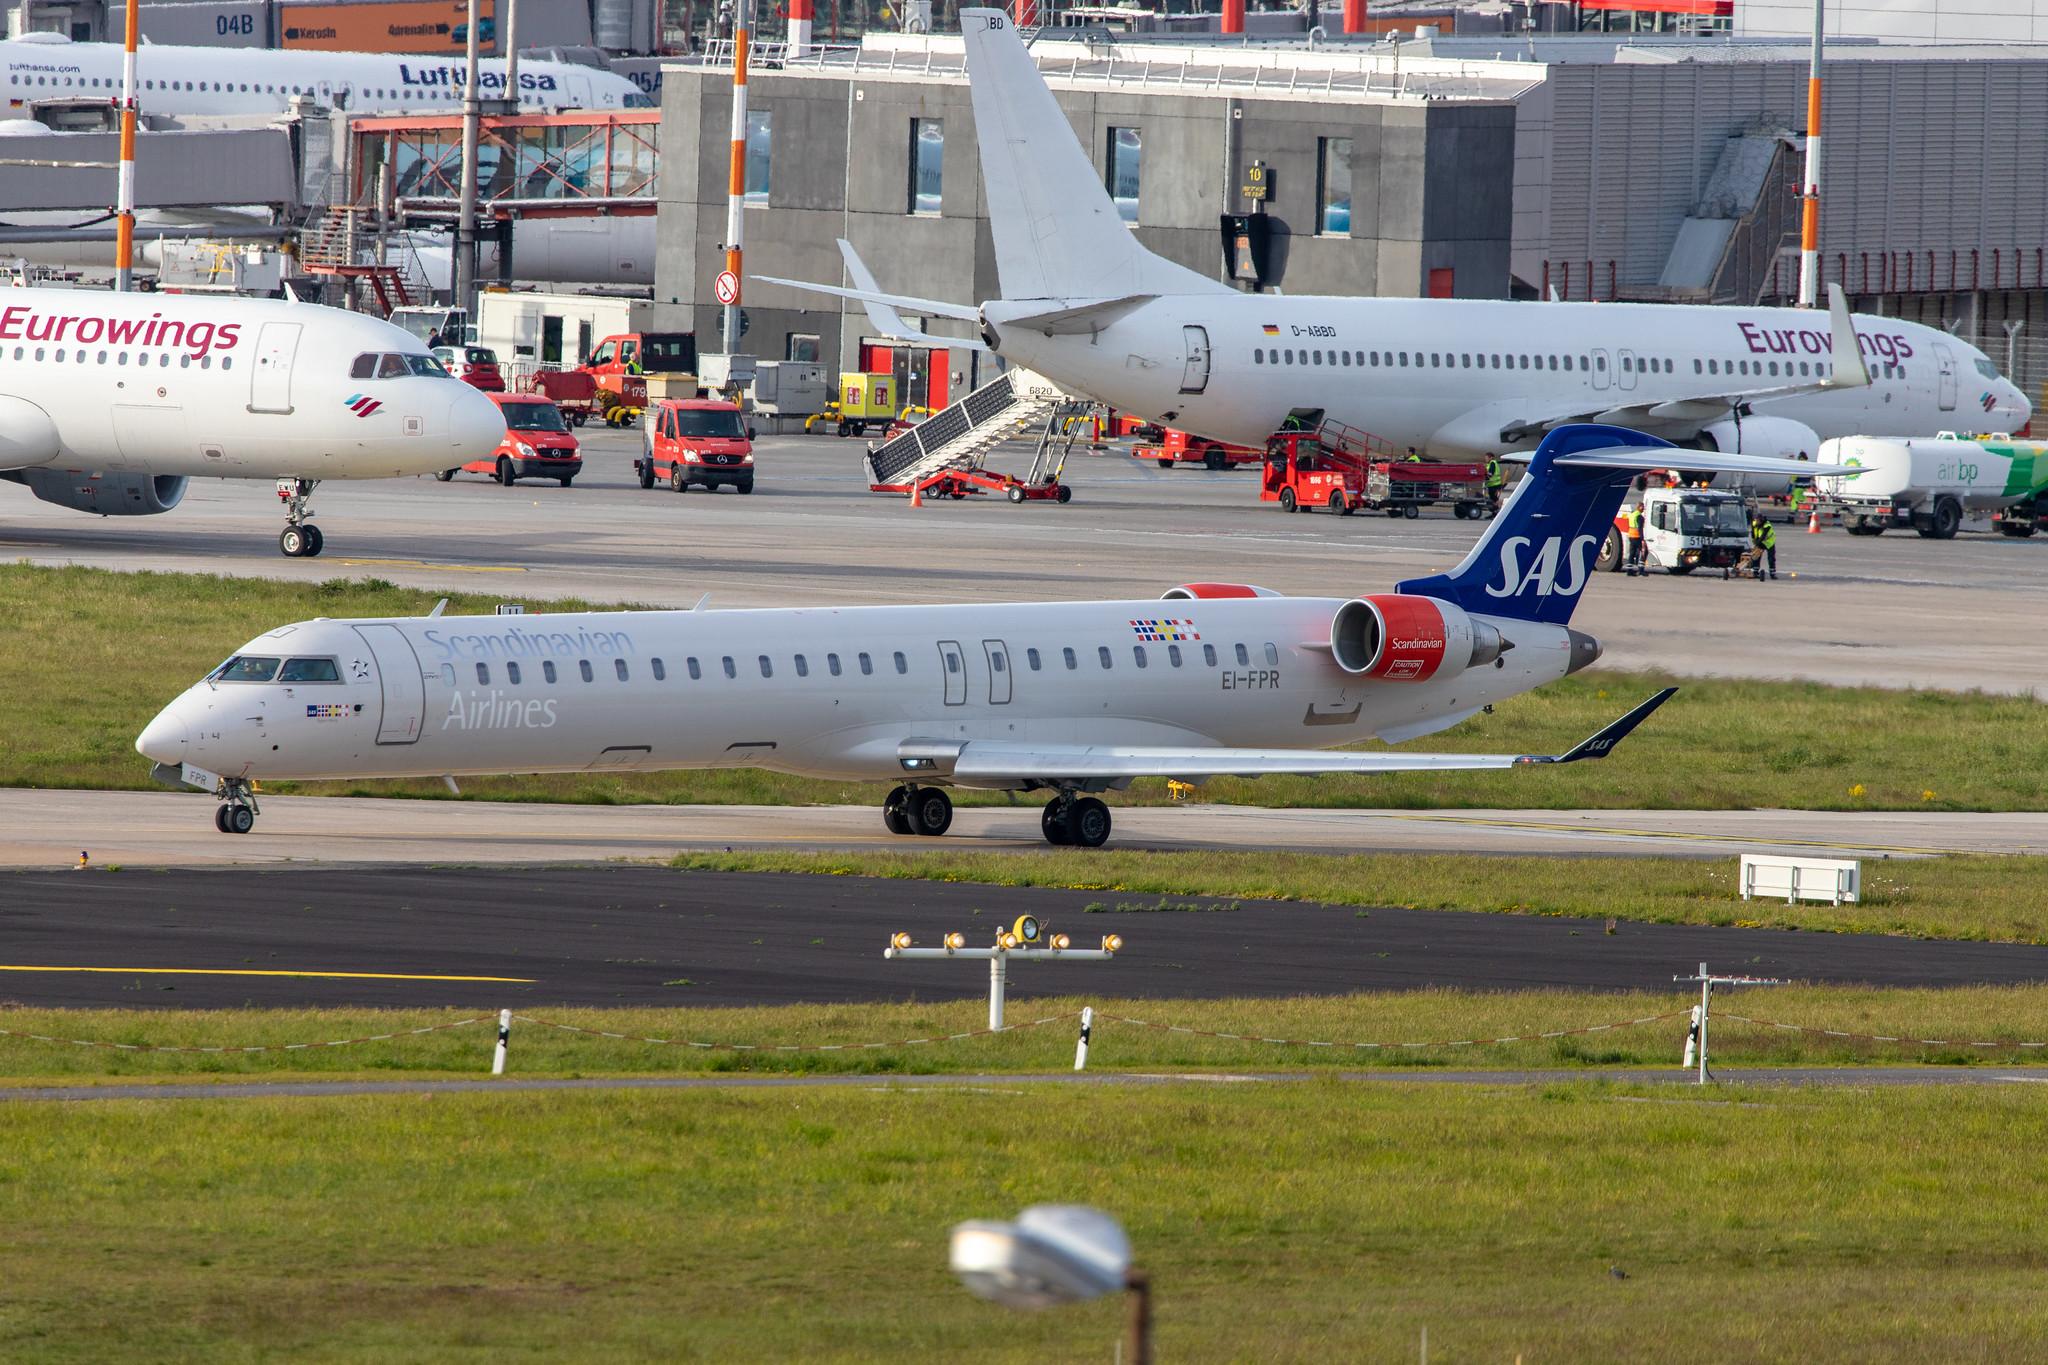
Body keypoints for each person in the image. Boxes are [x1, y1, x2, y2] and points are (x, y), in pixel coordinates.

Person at [1745, 511, 1778, 580]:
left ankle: (1772, 573)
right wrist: (1754, 540)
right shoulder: (1754, 523)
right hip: (1759, 542)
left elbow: (1763, 536)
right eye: (1756, 520)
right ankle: (1755, 571)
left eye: (1758, 521)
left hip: (1769, 543)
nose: (1756, 522)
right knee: (1756, 556)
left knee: (1771, 558)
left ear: (1761, 520)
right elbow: (1753, 533)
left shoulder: (1767, 526)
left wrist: (1757, 543)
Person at [1625, 499, 1648, 575]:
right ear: (1640, 507)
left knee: (1632, 553)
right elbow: (1640, 528)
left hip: (1631, 536)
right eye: (1643, 507)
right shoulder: (1639, 516)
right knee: (1644, 552)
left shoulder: (1632, 514)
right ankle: (1641, 570)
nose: (1644, 509)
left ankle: (1629, 570)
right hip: (1637, 536)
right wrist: (1642, 539)